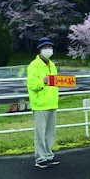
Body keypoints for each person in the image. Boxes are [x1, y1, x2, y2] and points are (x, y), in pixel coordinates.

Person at [27, 37, 60, 168]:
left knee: (50, 133)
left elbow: (56, 82)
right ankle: (40, 158)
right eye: (46, 47)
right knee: (40, 133)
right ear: (40, 50)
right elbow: (31, 84)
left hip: (52, 102)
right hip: (40, 104)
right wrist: (43, 82)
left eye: (50, 47)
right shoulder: (33, 65)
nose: (48, 50)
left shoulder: (52, 64)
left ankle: (48, 155)